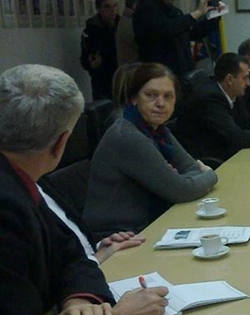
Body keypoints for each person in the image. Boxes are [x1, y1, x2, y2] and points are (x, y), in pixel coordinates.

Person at [0, 64, 168, 315]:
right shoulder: (7, 205)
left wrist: (79, 299)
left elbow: (70, 250)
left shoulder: (21, 177)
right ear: (61, 143)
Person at [84, 63, 219, 235]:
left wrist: (182, 179)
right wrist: (210, 174)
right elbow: (182, 190)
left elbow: (190, 168)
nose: (161, 103)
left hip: (151, 222)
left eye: (168, 96)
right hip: (120, 235)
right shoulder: (127, 135)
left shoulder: (158, 129)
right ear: (134, 98)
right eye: (151, 95)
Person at [133, 0, 223, 78]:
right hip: (159, 74)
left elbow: (193, 33)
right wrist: (197, 13)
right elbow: (166, 29)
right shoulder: (145, 9)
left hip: (183, 72)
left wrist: (214, 17)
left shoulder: (175, 11)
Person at [80, 0, 119, 100]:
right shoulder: (91, 30)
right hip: (101, 79)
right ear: (99, 9)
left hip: (121, 75)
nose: (112, 10)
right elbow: (85, 56)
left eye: (114, 6)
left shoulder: (121, 25)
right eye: (107, 7)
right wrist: (91, 65)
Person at [115, 0, 147, 66]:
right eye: (146, 2)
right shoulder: (130, 23)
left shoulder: (130, 20)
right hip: (135, 70)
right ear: (135, 5)